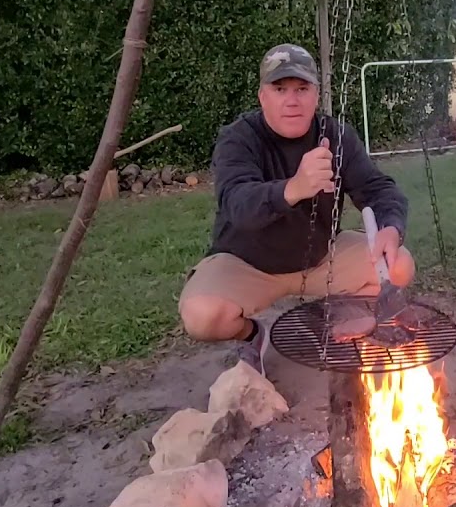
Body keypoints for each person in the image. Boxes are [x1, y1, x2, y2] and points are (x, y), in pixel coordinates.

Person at [178, 43, 416, 375]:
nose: (292, 100)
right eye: (280, 89)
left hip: (319, 259)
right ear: (263, 96)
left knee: (399, 265)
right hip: (249, 264)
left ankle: (338, 313)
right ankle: (252, 335)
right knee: (202, 316)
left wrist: (391, 226)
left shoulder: (334, 136)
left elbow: (377, 188)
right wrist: (294, 188)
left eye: (302, 89)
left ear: (316, 95)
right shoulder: (240, 139)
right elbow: (237, 204)